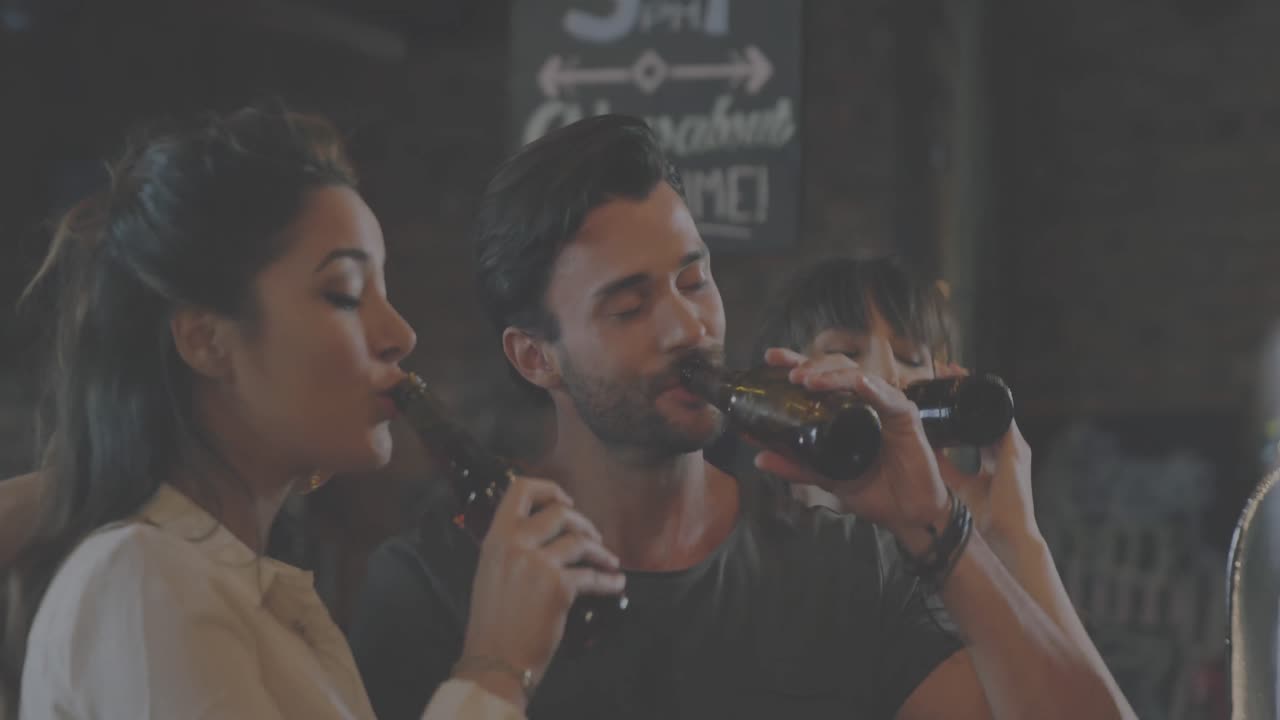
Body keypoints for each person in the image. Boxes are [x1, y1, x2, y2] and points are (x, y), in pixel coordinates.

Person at [349, 113, 1133, 719]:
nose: (686, 328)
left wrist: (949, 528)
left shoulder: (846, 564)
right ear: (535, 357)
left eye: (694, 282)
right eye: (629, 306)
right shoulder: (440, 586)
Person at [0, 104, 624, 719]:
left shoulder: (255, 600)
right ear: (206, 340)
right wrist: (494, 667)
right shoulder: (140, 583)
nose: (401, 334)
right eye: (345, 294)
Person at [734, 255, 1136, 713]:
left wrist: (1015, 540)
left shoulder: (965, 587)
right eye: (846, 350)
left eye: (911, 358)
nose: (889, 375)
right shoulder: (744, 575)